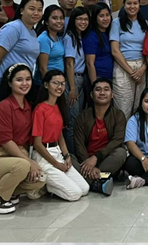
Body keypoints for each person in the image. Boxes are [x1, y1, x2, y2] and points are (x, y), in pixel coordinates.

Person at [0, 64, 46, 214]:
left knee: (41, 179)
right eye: (19, 80)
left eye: (28, 79)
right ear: (10, 83)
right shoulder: (4, 106)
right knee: (23, 166)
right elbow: (6, 142)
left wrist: (32, 163)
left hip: (15, 157)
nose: (25, 83)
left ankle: (9, 191)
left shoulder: (28, 106)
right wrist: (29, 162)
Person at [32, 70, 90, 201]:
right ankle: (47, 185)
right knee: (74, 194)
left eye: (63, 84)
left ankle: (52, 184)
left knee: (84, 189)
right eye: (56, 83)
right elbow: (37, 144)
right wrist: (57, 165)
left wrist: (66, 156)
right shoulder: (40, 109)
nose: (60, 87)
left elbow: (60, 136)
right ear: (46, 85)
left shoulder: (59, 106)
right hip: (44, 156)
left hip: (57, 152)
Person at [0, 0, 44, 116]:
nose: (36, 13)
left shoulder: (32, 32)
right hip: (2, 85)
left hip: (20, 86)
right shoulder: (14, 28)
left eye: (39, 9)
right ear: (21, 10)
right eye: (31, 9)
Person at [72, 78, 127, 195]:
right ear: (92, 95)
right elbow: (79, 144)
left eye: (106, 90)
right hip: (85, 161)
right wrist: (89, 164)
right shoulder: (82, 116)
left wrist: (96, 158)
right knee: (69, 159)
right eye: (98, 90)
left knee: (121, 153)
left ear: (112, 94)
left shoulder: (118, 115)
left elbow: (117, 140)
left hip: (105, 160)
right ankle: (97, 182)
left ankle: (90, 178)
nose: (102, 93)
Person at [110, 0, 148, 117]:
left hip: (142, 68)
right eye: (129, 3)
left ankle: (134, 137)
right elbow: (115, 51)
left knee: (139, 108)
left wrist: (143, 68)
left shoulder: (146, 24)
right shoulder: (117, 23)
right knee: (123, 109)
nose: (132, 6)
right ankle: (121, 137)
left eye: (135, 3)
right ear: (124, 5)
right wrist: (131, 72)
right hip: (123, 67)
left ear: (139, 5)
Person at [63, 7, 89, 152]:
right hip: (72, 80)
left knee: (78, 119)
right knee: (72, 122)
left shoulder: (80, 37)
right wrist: (72, 88)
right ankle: (71, 155)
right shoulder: (70, 37)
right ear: (73, 20)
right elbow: (69, 63)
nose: (83, 22)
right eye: (79, 19)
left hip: (80, 79)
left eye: (85, 19)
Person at [34, 5, 66, 85]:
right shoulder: (44, 39)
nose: (59, 21)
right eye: (54, 18)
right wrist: (49, 85)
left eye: (61, 18)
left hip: (57, 82)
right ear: (47, 21)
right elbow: (42, 68)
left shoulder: (58, 37)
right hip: (46, 84)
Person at [84, 2, 114, 83]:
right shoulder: (91, 36)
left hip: (111, 76)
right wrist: (95, 84)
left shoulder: (110, 32)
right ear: (95, 18)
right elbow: (90, 63)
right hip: (98, 77)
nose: (105, 19)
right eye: (101, 16)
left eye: (107, 15)